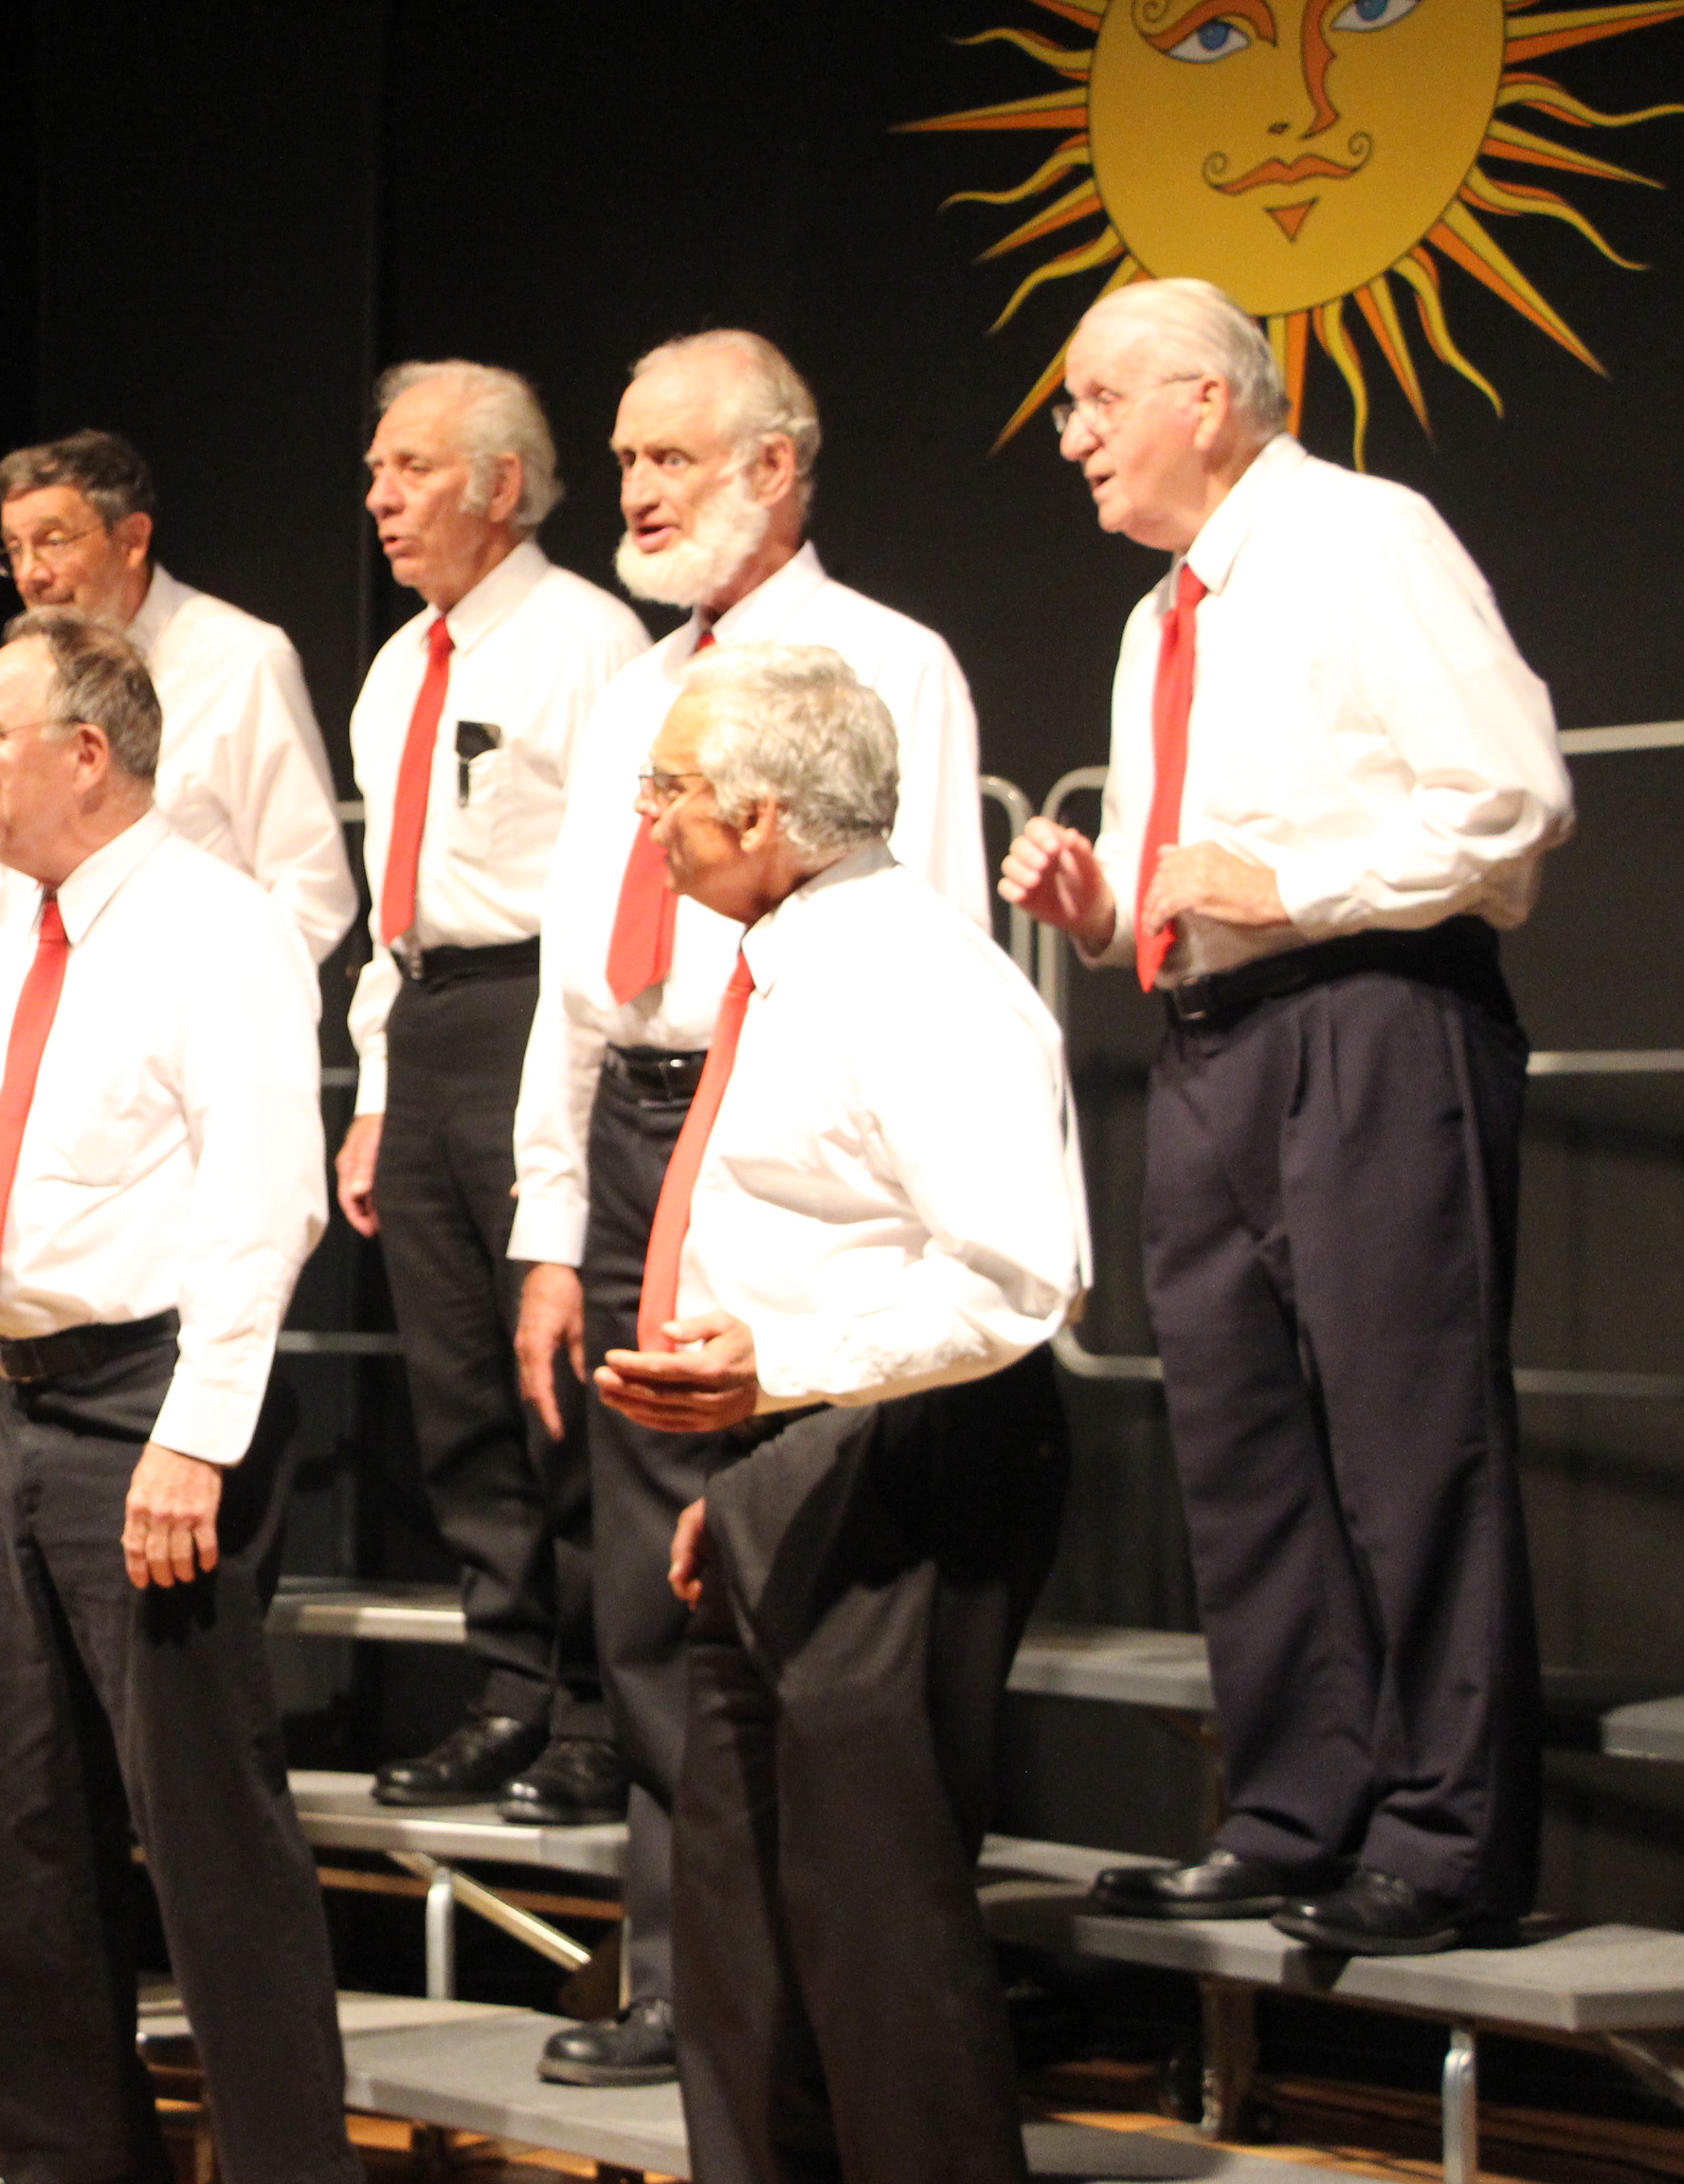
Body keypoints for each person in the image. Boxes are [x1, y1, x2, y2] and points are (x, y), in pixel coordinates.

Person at [1004, 276, 1569, 1956]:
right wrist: (1103, 908)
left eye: (1097, 401)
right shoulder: (1158, 615)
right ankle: (1291, 1809)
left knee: (1410, 1438)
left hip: (1374, 1021)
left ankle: (1447, 1838)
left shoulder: (1363, 540)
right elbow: (1186, 883)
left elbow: (1512, 797)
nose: (1073, 438)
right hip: (1212, 1043)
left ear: (1205, 399)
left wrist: (1293, 885)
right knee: (1241, 1444)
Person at [508, 329, 992, 2086]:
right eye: (627, 457)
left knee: (799, 1566)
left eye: (672, 458)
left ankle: (823, 1993)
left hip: (800, 1141)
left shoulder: (889, 661)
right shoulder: (633, 690)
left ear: (776, 467)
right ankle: (687, 1972)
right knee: (646, 1591)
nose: (634, 490)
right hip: (643, 1128)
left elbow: (928, 946)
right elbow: (575, 968)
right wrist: (549, 1224)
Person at [607, 644, 1085, 2184]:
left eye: (671, 787)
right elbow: (802, 1235)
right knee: (738, 1940)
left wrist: (785, 1386)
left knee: (879, 1935)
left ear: (760, 814)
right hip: (799, 1453)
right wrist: (752, 1473)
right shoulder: (785, 963)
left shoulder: (920, 978)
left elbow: (1019, 1274)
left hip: (914, 1452)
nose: (649, 817)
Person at [0, 611, 355, 2184]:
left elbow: (266, 1195)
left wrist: (195, 1435)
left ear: (86, 754)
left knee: (211, 1842)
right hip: (24, 1404)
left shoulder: (214, 927)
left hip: (152, 1409)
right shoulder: (16, 940)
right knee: (26, 1835)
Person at [341, 359, 650, 1819]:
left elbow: (616, 882)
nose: (380, 496)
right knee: (457, 1388)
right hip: (428, 1022)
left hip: (544, 1008)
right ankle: (511, 1685)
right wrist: (374, 1087)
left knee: (556, 1378)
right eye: (377, 470)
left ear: (502, 485)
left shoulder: (589, 642)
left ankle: (599, 1703)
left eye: (410, 467)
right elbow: (388, 908)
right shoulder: (398, 665)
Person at [0, 428, 353, 1070]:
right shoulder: (14, 685)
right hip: (40, 1048)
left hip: (189, 1051)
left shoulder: (239, 661)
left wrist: (230, 1015)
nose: (31, 574)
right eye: (14, 549)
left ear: (132, 539)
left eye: (54, 541)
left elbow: (310, 884)